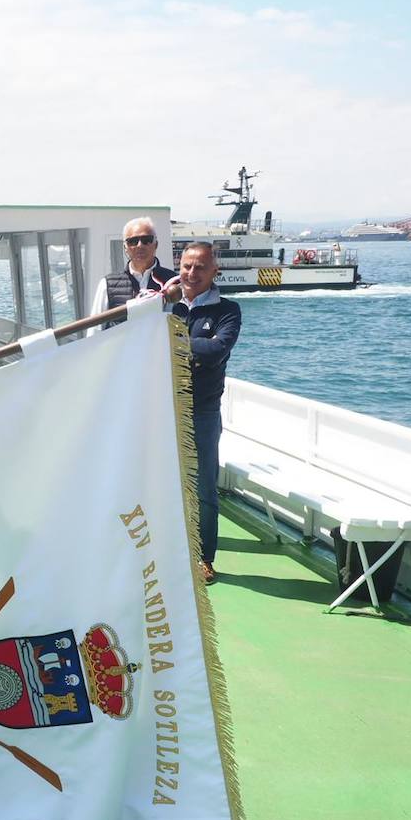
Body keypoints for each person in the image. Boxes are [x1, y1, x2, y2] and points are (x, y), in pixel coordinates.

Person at [170, 242, 241, 586]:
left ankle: (204, 558)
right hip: (161, 407)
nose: (191, 274)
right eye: (186, 266)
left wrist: (169, 339)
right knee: (161, 481)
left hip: (202, 411)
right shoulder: (164, 306)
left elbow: (215, 350)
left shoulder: (228, 311)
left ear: (214, 271)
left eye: (200, 267)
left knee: (203, 488)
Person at [92, 218, 177, 323]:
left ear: (156, 245)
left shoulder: (174, 282)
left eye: (146, 240)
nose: (140, 245)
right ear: (125, 247)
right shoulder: (107, 285)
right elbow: (95, 330)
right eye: (132, 241)